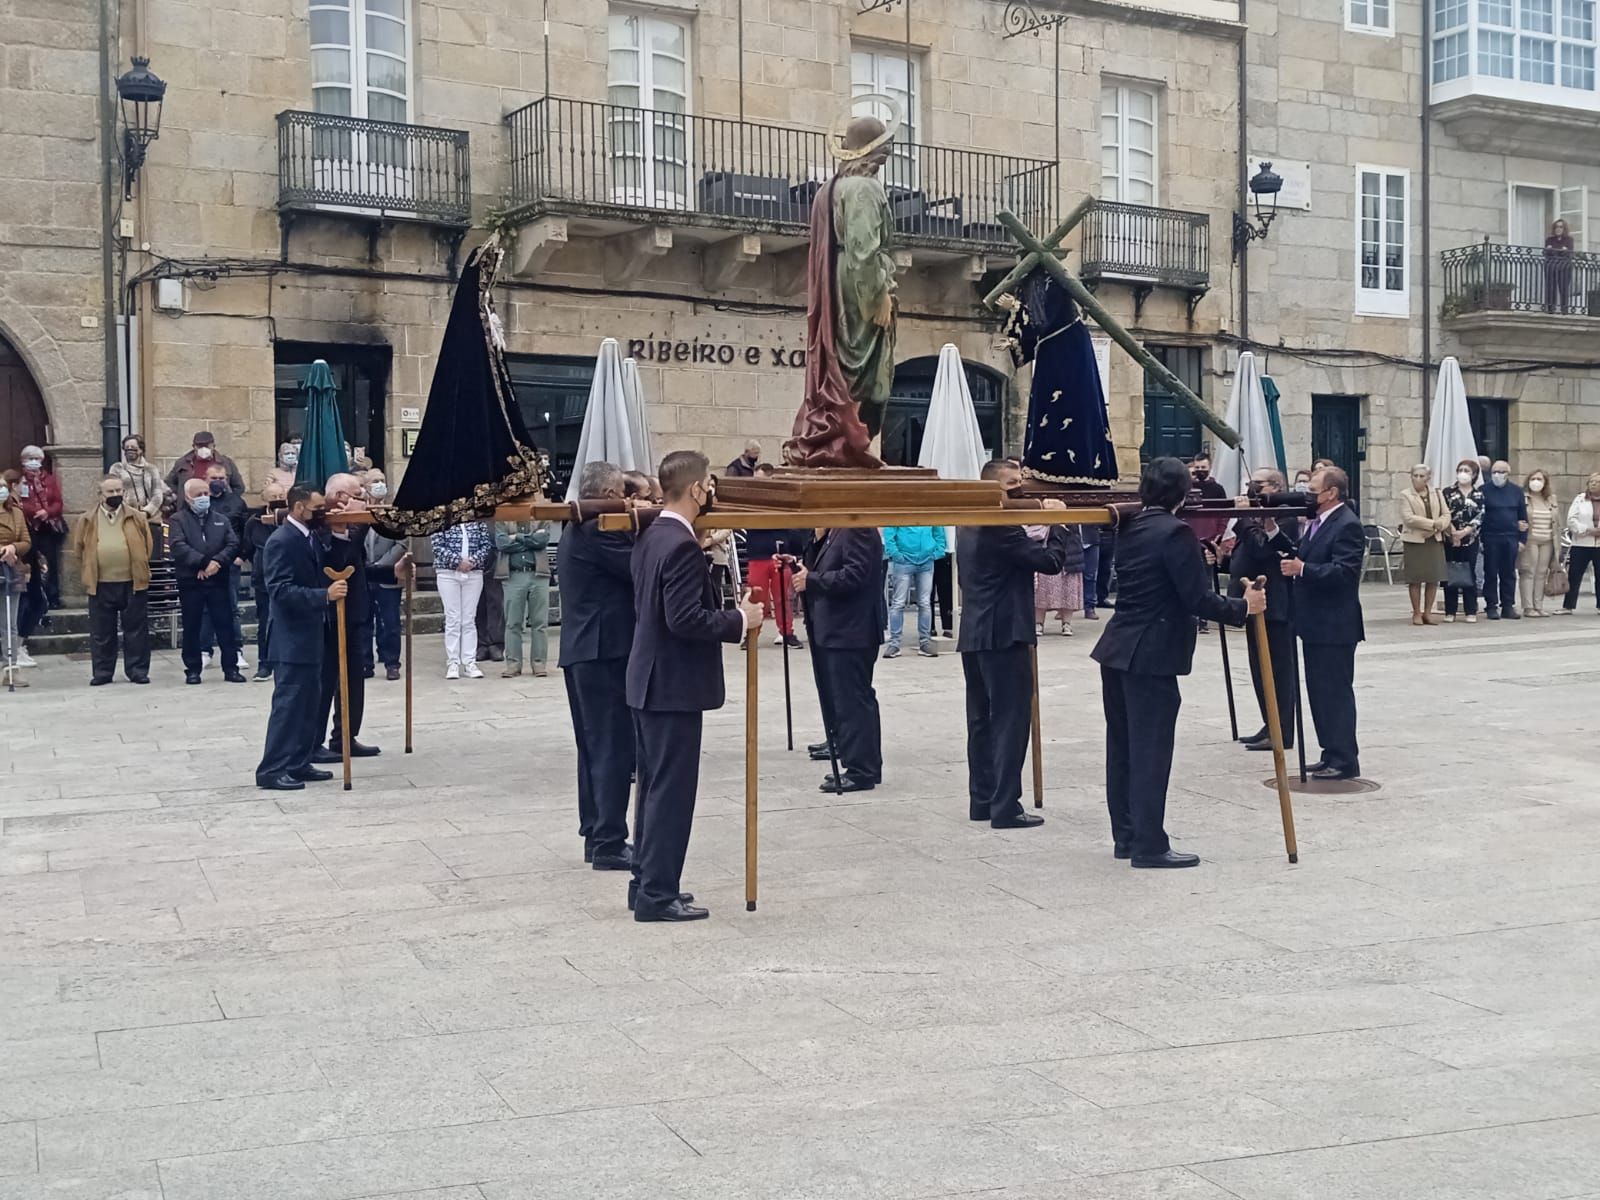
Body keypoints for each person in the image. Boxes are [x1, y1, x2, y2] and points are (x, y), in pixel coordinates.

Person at [1092, 458, 1265, 866]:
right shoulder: (1175, 532)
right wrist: (1245, 606)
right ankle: (1150, 844)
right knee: (1150, 749)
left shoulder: (1131, 526)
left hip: (1118, 647)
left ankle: (1128, 836)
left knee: (1123, 747)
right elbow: (1197, 599)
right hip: (1151, 651)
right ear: (1182, 492)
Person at [626, 451, 763, 922]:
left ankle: (647, 882)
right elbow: (684, 619)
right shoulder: (678, 545)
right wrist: (739, 619)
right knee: (670, 792)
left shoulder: (654, 536)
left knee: (652, 788)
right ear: (698, 488)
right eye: (709, 484)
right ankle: (657, 894)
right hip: (671, 685)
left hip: (650, 680)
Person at [958, 461, 1071, 829]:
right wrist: (1060, 525)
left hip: (976, 630)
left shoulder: (969, 520)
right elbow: (1050, 562)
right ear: (992, 489)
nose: (1019, 491)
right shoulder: (1000, 524)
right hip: (1002, 631)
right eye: (1011, 485)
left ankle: (982, 799)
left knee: (981, 719)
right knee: (1009, 719)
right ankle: (1005, 805)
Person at [558, 462, 638, 869]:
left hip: (586, 650)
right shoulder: (596, 529)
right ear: (607, 496)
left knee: (594, 748)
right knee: (611, 747)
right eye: (624, 493)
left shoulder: (578, 526)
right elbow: (638, 567)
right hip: (601, 651)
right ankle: (608, 839)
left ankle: (596, 833)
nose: (629, 501)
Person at [255, 485, 342, 791]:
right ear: (299, 508)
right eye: (318, 508)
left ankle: (298, 761)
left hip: (311, 636)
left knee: (309, 703)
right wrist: (324, 596)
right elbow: (279, 589)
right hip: (291, 639)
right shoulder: (282, 540)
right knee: (289, 705)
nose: (323, 513)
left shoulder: (310, 537)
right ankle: (272, 768)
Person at [1281, 464, 1365, 780]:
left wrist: (1303, 570)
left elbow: (1344, 573)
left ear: (1331, 493)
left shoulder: (1347, 525)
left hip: (1335, 625)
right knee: (1319, 691)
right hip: (1314, 623)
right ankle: (1329, 751)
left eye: (1313, 490)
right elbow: (1305, 556)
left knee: (1335, 692)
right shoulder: (1319, 523)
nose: (1309, 495)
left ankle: (1344, 759)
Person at [793, 523, 886, 794]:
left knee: (854, 700)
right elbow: (817, 567)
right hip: (835, 629)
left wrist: (811, 581)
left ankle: (862, 769)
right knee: (842, 699)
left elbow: (855, 576)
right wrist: (817, 540)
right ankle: (848, 750)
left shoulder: (858, 529)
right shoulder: (835, 530)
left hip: (852, 630)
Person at [1227, 468, 1300, 750]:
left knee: (1278, 672)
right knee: (1258, 669)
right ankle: (1269, 723)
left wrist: (1245, 519)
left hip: (1276, 606)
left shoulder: (1286, 516)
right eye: (1249, 484)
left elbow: (1261, 548)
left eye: (1258, 485)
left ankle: (1282, 730)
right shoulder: (1255, 516)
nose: (1251, 489)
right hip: (1253, 604)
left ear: (1276, 486)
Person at [312, 473, 379, 761]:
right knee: (325, 680)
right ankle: (313, 742)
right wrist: (339, 531)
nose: (363, 498)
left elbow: (357, 564)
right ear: (340, 496)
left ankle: (345, 736)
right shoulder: (319, 526)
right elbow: (334, 564)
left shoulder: (356, 524)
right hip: (327, 615)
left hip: (356, 612)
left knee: (354, 677)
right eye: (358, 493)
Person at [69, 475, 153, 686]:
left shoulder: (137, 517)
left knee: (136, 630)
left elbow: (147, 546)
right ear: (100, 494)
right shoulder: (87, 519)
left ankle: (137, 670)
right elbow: (79, 549)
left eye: (119, 491)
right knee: (101, 632)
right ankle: (103, 672)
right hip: (101, 583)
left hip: (132, 581)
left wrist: (139, 565)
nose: (116, 495)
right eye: (110, 491)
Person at [168, 478, 244, 685]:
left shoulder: (221, 519)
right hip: (191, 581)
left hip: (218, 580)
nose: (204, 498)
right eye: (199, 494)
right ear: (188, 496)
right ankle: (193, 669)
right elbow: (178, 546)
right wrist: (202, 564)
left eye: (206, 494)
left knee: (225, 624)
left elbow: (232, 543)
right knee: (193, 625)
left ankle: (231, 668)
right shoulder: (178, 519)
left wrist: (217, 563)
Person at [198, 461, 250, 673]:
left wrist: (242, 556)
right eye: (214, 479)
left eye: (222, 478)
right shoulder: (198, 502)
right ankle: (204, 651)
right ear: (205, 480)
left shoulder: (237, 502)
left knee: (232, 607)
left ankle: (235, 650)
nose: (218, 482)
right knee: (205, 609)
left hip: (229, 563)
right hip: (204, 564)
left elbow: (246, 531)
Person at [430, 519, 489, 678]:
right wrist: (457, 562)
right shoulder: (441, 516)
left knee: (469, 619)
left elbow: (486, 545)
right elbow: (437, 545)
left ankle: (470, 662)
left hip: (473, 573)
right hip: (447, 573)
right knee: (453, 618)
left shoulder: (478, 519)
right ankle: (453, 662)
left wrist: (472, 561)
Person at [495, 517, 552, 678]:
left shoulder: (541, 516)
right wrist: (530, 538)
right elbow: (502, 544)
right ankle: (513, 664)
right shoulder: (503, 517)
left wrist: (516, 537)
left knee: (540, 622)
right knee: (512, 622)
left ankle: (539, 664)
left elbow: (542, 540)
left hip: (538, 573)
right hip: (513, 574)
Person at [742, 512, 808, 650]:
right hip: (758, 552)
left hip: (779, 549)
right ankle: (752, 633)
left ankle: (787, 633)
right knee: (758, 597)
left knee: (784, 597)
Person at [241, 482, 285, 680]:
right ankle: (265, 663)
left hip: (288, 578)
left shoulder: (289, 518)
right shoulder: (254, 521)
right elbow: (247, 548)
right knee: (265, 623)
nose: (278, 499)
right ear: (265, 499)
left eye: (281, 495)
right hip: (263, 580)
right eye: (273, 496)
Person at [882, 524, 945, 658]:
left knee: (924, 603)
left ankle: (924, 642)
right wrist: (895, 553)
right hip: (904, 561)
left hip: (926, 561)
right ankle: (895, 644)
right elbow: (890, 530)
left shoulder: (929, 509)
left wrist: (938, 551)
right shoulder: (901, 508)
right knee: (899, 603)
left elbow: (938, 529)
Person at [1397, 464, 1449, 626]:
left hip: (1434, 539)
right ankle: (1416, 612)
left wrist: (1439, 525)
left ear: (1428, 477)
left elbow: (1446, 513)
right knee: (1416, 578)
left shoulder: (1437, 493)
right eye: (1415, 475)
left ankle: (1428, 612)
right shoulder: (1406, 495)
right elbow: (1408, 518)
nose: (1418, 479)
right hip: (1415, 540)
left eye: (1421, 476)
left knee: (1433, 578)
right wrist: (1433, 524)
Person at [1479, 459, 1528, 620]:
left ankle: (1508, 605)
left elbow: (1523, 518)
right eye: (1494, 472)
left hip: (1510, 537)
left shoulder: (1516, 491)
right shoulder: (1483, 490)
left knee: (1508, 573)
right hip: (1490, 537)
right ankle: (1491, 605)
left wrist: (1522, 540)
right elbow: (1479, 516)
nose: (1497, 475)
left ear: (1508, 473)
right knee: (1491, 572)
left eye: (1501, 472)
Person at [17, 446, 65, 611]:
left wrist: (47, 512)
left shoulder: (49, 480)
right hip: (28, 527)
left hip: (47, 528)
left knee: (50, 562)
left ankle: (52, 597)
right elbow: (19, 502)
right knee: (30, 562)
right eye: (29, 458)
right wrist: (32, 511)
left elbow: (58, 502)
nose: (33, 463)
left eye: (36, 459)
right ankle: (33, 598)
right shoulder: (21, 482)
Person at [0, 474, 34, 684]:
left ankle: (10, 669)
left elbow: (26, 541)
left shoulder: (16, 513)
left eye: (3, 486)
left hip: (11, 570)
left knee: (9, 623)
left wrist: (13, 547)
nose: (1, 491)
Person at [364, 522, 407, 681]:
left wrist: (380, 566)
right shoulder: (358, 515)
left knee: (390, 623)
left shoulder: (392, 517)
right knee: (363, 621)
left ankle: (392, 664)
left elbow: (402, 543)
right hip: (364, 577)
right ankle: (365, 663)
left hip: (388, 576)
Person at [1443, 459, 1484, 622]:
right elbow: (1444, 512)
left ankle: (1470, 610)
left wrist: (1465, 531)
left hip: (1471, 539)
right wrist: (1453, 533)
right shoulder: (1448, 492)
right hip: (1451, 538)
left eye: (1467, 471)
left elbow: (1481, 515)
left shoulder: (1479, 494)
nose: (1463, 473)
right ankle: (1450, 611)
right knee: (1450, 573)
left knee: (1469, 573)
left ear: (1474, 474)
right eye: (1460, 470)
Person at [1518, 469, 1559, 618]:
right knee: (1529, 571)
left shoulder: (1550, 499)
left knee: (1542, 573)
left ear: (1545, 482)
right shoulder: (1523, 498)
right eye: (1533, 478)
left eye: (1539, 479)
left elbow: (1556, 522)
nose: (1536, 482)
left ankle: (1539, 605)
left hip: (1548, 540)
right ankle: (1528, 607)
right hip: (1530, 539)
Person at [1033, 521, 1084, 637]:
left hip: (1070, 552)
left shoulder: (1073, 512)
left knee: (1068, 590)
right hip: (1045, 550)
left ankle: (1067, 623)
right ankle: (1038, 623)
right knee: (1042, 590)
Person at [1561, 471, 1600, 614]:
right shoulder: (1580, 499)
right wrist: (1587, 530)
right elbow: (1571, 519)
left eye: (1597, 482)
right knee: (1575, 575)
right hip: (1582, 542)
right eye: (1591, 482)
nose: (1594, 484)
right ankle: (1568, 606)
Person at [110, 434, 171, 520]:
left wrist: (146, 512)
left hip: (150, 518)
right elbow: (113, 493)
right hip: (125, 516)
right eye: (127, 447)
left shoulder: (151, 469)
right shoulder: (117, 468)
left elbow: (157, 495)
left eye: (133, 446)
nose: (130, 449)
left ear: (141, 449)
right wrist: (127, 512)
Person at [164, 430, 244, 495]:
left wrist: (229, 501)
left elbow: (239, 487)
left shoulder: (226, 463)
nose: (203, 449)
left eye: (207, 446)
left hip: (219, 509)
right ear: (194, 447)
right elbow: (169, 483)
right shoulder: (182, 463)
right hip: (189, 508)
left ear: (213, 446)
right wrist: (182, 495)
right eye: (199, 446)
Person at [1545, 218, 1575, 313]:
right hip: (1551, 267)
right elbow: (1546, 252)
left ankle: (1564, 310)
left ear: (1564, 229)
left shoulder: (1569, 240)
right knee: (1551, 288)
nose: (1558, 229)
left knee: (1564, 289)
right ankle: (1551, 309)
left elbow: (1569, 253)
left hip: (1564, 268)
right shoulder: (1549, 239)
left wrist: (1555, 250)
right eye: (1556, 227)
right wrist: (1561, 250)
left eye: (1561, 227)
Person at [1080, 526, 1101, 621]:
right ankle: (1064, 609)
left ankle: (1089, 608)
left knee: (1090, 575)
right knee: (1068, 575)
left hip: (1091, 539)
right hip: (1071, 539)